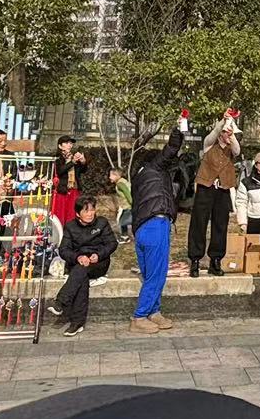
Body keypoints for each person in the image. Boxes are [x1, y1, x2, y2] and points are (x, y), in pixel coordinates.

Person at [128, 120, 186, 335]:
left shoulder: (138, 178)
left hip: (141, 229)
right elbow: (172, 147)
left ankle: (154, 311)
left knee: (149, 273)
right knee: (157, 275)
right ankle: (139, 316)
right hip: (156, 225)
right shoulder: (155, 167)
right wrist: (180, 127)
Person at [46, 196, 117, 337]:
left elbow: (112, 243)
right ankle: (77, 323)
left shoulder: (102, 223)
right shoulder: (70, 226)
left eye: (92, 210)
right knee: (81, 276)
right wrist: (78, 257)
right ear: (78, 213)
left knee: (80, 271)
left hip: (99, 263)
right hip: (79, 262)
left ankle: (61, 302)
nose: (90, 214)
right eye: (86, 211)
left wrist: (99, 255)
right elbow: (64, 250)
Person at [188, 114, 240, 277]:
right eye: (225, 132)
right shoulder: (209, 145)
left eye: (230, 133)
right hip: (206, 187)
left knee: (220, 225)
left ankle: (216, 260)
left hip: (223, 189)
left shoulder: (231, 149)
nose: (228, 135)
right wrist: (222, 122)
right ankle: (195, 260)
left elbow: (237, 150)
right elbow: (212, 135)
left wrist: (232, 135)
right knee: (199, 223)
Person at [49, 136, 85, 226]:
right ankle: (59, 232)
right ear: (60, 146)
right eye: (66, 143)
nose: (69, 145)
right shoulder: (57, 158)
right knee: (60, 214)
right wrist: (72, 162)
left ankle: (71, 232)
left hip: (74, 189)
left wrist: (83, 162)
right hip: (62, 190)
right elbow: (59, 171)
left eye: (71, 143)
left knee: (72, 214)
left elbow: (82, 171)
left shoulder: (74, 157)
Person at [111, 167, 132, 242]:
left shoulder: (120, 184)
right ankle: (125, 237)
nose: (109, 177)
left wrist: (132, 202)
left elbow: (127, 193)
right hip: (127, 205)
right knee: (124, 221)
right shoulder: (123, 181)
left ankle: (125, 237)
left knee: (121, 221)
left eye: (111, 175)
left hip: (126, 206)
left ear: (117, 175)